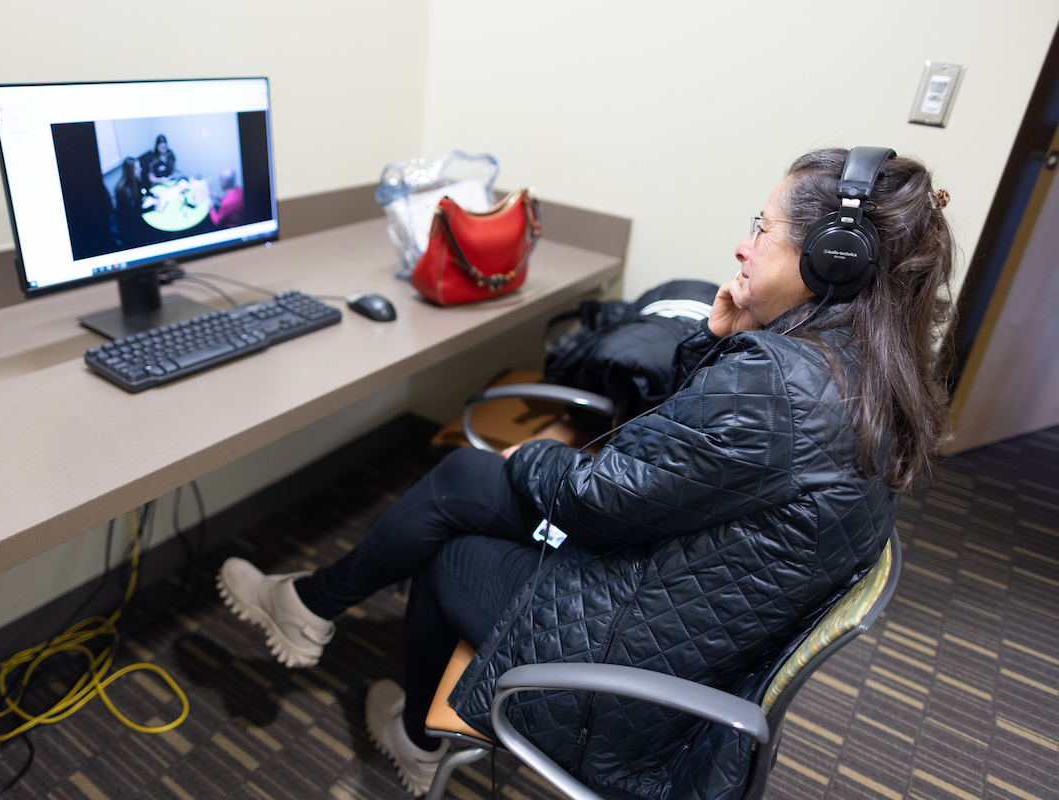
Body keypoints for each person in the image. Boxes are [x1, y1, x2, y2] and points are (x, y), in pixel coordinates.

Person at [218, 149, 955, 798]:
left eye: (761, 228)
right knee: (468, 480)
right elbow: (702, 453)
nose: (742, 244)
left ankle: (413, 737)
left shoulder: (780, 386)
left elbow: (599, 502)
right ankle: (311, 604)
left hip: (621, 681)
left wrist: (532, 455)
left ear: (831, 258)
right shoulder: (863, 372)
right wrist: (716, 337)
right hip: (685, 613)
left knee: (453, 550)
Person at [114, 157, 148, 248]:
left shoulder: (135, 179)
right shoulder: (124, 191)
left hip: (136, 216)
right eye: (137, 168)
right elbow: (134, 213)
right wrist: (153, 208)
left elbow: (143, 191)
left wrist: (152, 195)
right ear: (131, 171)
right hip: (130, 227)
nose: (140, 169)